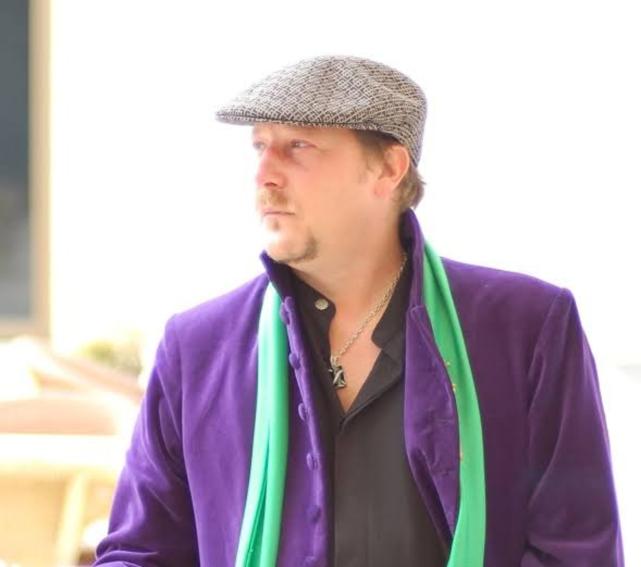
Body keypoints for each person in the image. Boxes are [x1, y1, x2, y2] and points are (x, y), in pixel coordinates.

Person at [93, 55, 624, 566]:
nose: (264, 175)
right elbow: (141, 553)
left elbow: (576, 550)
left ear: (389, 168)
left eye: (298, 146)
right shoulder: (197, 348)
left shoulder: (524, 328)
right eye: (259, 147)